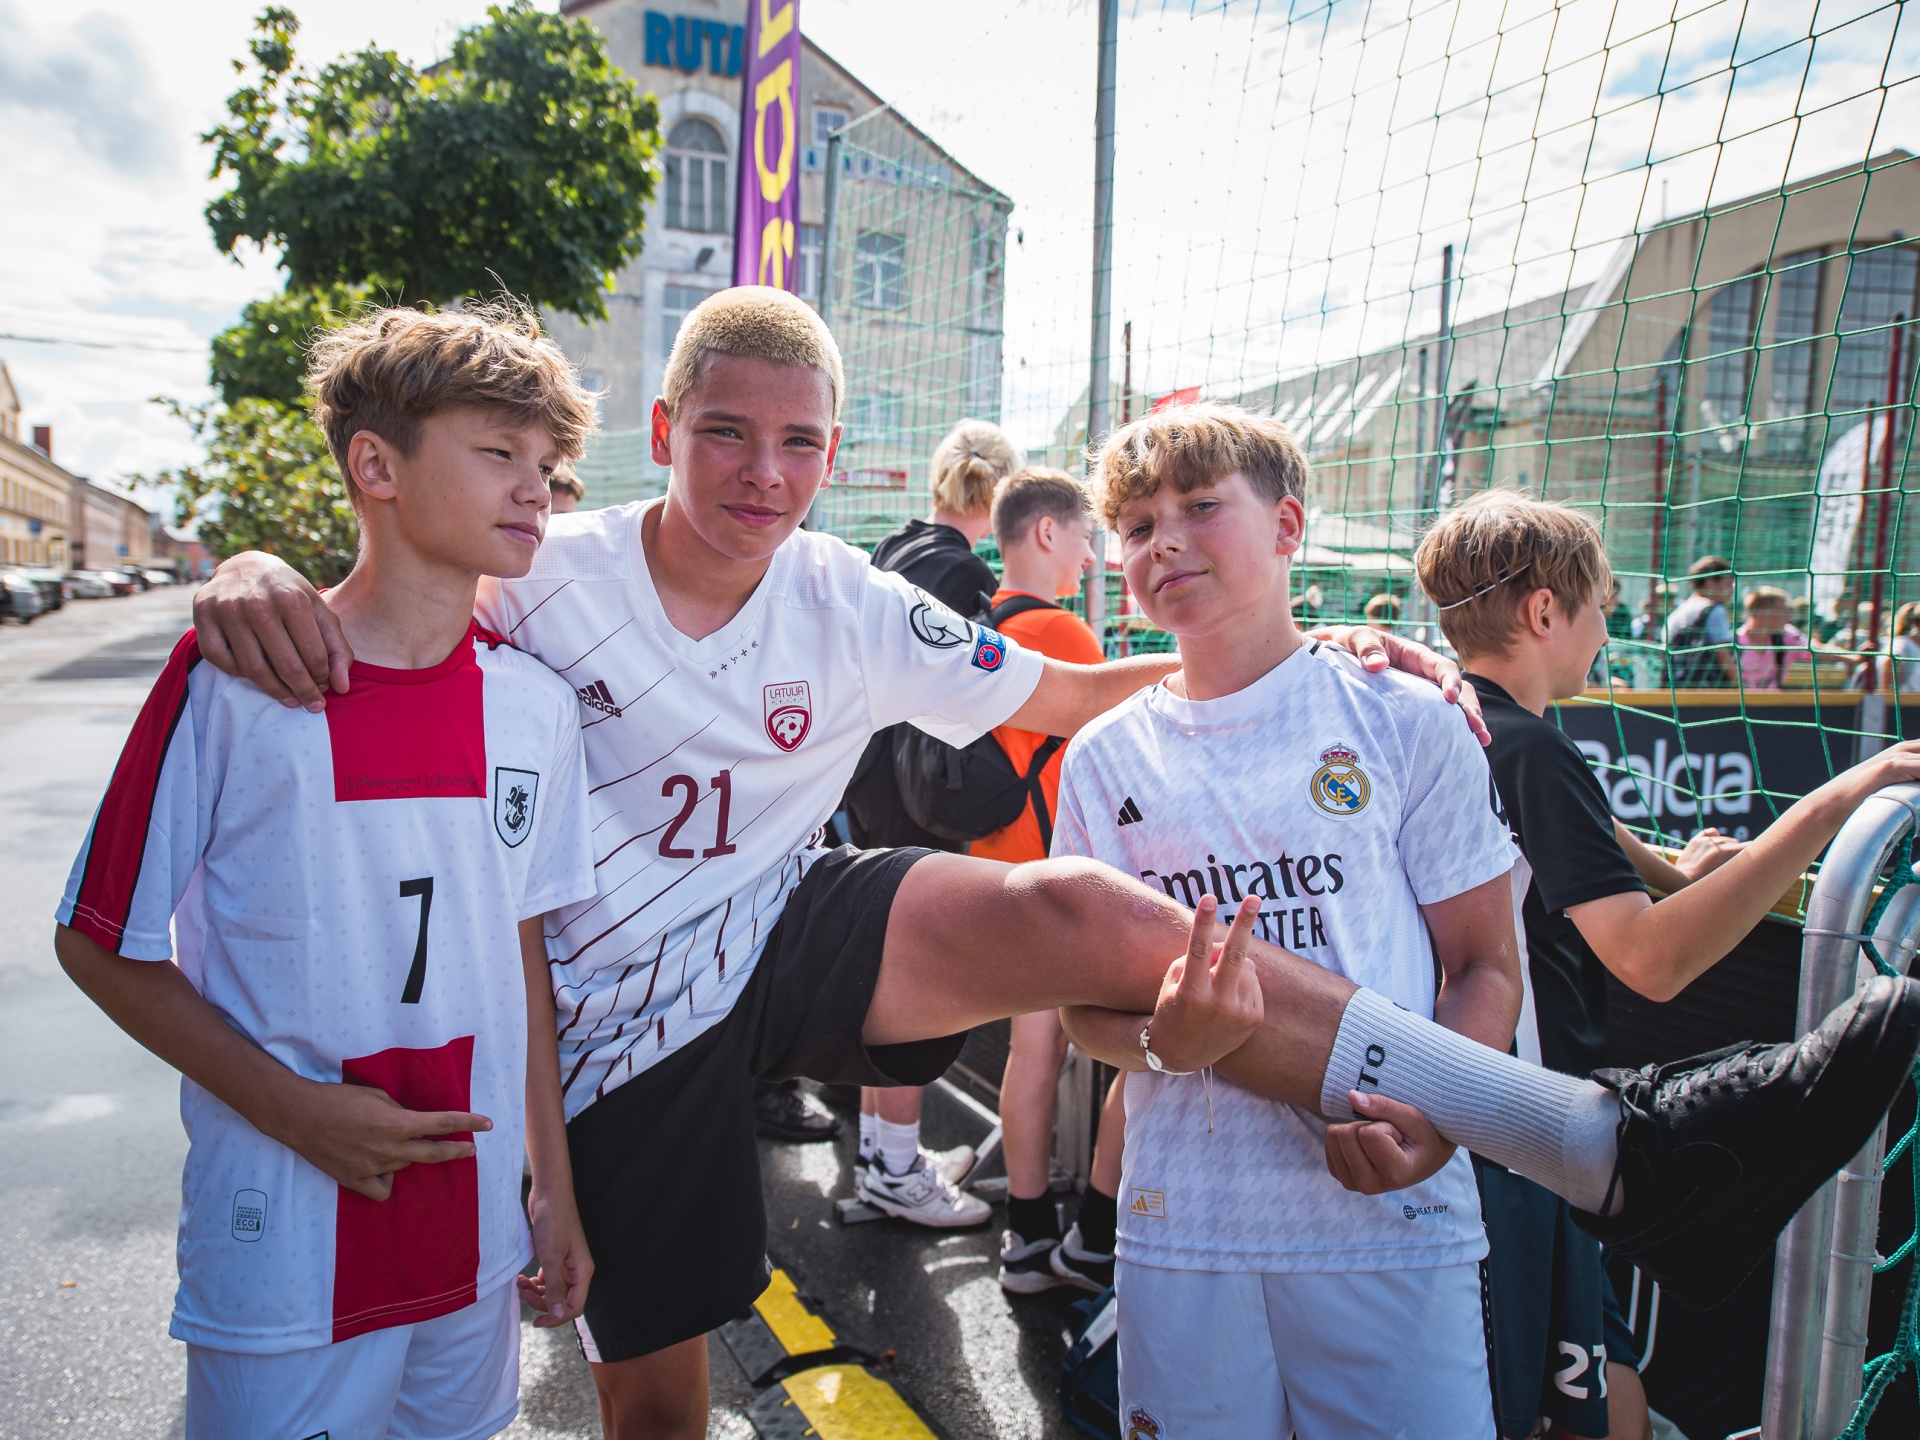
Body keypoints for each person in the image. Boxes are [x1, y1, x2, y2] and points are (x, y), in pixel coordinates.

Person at [190, 286, 1920, 1440]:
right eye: (726, 433)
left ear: (838, 454)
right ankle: (1601, 1148)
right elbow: (388, 581)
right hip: (606, 1012)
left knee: (1094, 911)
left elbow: (1080, 688)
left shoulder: (845, 597)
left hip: (778, 928)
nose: (764, 473)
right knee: (655, 1403)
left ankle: (1615, 1150)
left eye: (800, 442)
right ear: (662, 429)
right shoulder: (540, 571)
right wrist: (256, 570)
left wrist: (1321, 648)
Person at [53, 305, 599, 1440]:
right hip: (288, 1240)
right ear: (374, 466)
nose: (536, 488)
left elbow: (521, 955)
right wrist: (297, 1112)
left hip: (471, 1237)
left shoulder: (536, 707)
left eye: (548, 464)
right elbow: (99, 943)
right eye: (500, 452)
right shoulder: (235, 682)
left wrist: (551, 1187)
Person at [1049, 405, 1524, 1438]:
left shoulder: (1404, 717)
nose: (1165, 540)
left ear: (1288, 525)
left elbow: (1486, 966)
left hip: (1388, 1222)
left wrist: (1437, 1122)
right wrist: (1161, 1045)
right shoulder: (1100, 760)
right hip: (1184, 1231)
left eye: (1200, 507)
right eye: (1137, 526)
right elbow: (1083, 1015)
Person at [1415, 489, 1920, 1440]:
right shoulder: (1531, 750)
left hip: (1481, 1122)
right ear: (1544, 612)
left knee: (1604, 1387)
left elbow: (1601, 845)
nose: (1609, 631)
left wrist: (1678, 870)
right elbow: (1651, 960)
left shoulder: (1454, 722)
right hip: (1520, 1133)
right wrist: (1835, 802)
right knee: (1572, 1402)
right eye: (1601, 608)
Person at [843, 419, 1022, 1227]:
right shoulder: (963, 572)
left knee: (880, 977)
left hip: (869, 786)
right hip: (917, 798)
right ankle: (894, 1168)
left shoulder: (894, 546)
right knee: (913, 986)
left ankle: (884, 1157)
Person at [968, 466, 1126, 1294]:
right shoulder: (1063, 634)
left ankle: (1026, 1234)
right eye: (1086, 537)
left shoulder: (979, 625)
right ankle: (1094, 1236)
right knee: (1141, 1054)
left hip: (991, 869)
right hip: (1056, 878)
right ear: (1045, 532)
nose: (1092, 558)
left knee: (1029, 1054)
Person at [1664, 555, 1739, 687]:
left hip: (1677, 684)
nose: (1732, 591)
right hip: (1706, 688)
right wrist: (1740, 685)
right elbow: (1723, 655)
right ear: (1709, 582)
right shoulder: (1714, 610)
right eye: (1728, 584)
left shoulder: (1679, 611)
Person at [1736, 585, 1811, 690]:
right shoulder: (1734, 643)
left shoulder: (1787, 636)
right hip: (1737, 700)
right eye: (1782, 611)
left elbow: (1814, 649)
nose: (1788, 617)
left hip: (1774, 699)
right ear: (1763, 611)